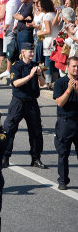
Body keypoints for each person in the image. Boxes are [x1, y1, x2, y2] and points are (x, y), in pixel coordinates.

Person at [2, 43, 47, 169]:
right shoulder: (17, 66)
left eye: (32, 52)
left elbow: (43, 83)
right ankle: (5, 157)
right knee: (10, 129)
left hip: (32, 103)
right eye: (29, 52)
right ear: (23, 52)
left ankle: (36, 158)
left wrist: (38, 74)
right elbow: (16, 83)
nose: (32, 54)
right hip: (18, 102)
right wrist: (30, 76)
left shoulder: (35, 66)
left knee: (36, 131)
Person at [53, 57, 78, 190]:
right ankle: (63, 180)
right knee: (63, 153)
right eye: (74, 66)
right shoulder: (60, 83)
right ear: (67, 67)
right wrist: (69, 90)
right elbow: (60, 103)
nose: (76, 69)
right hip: (65, 122)